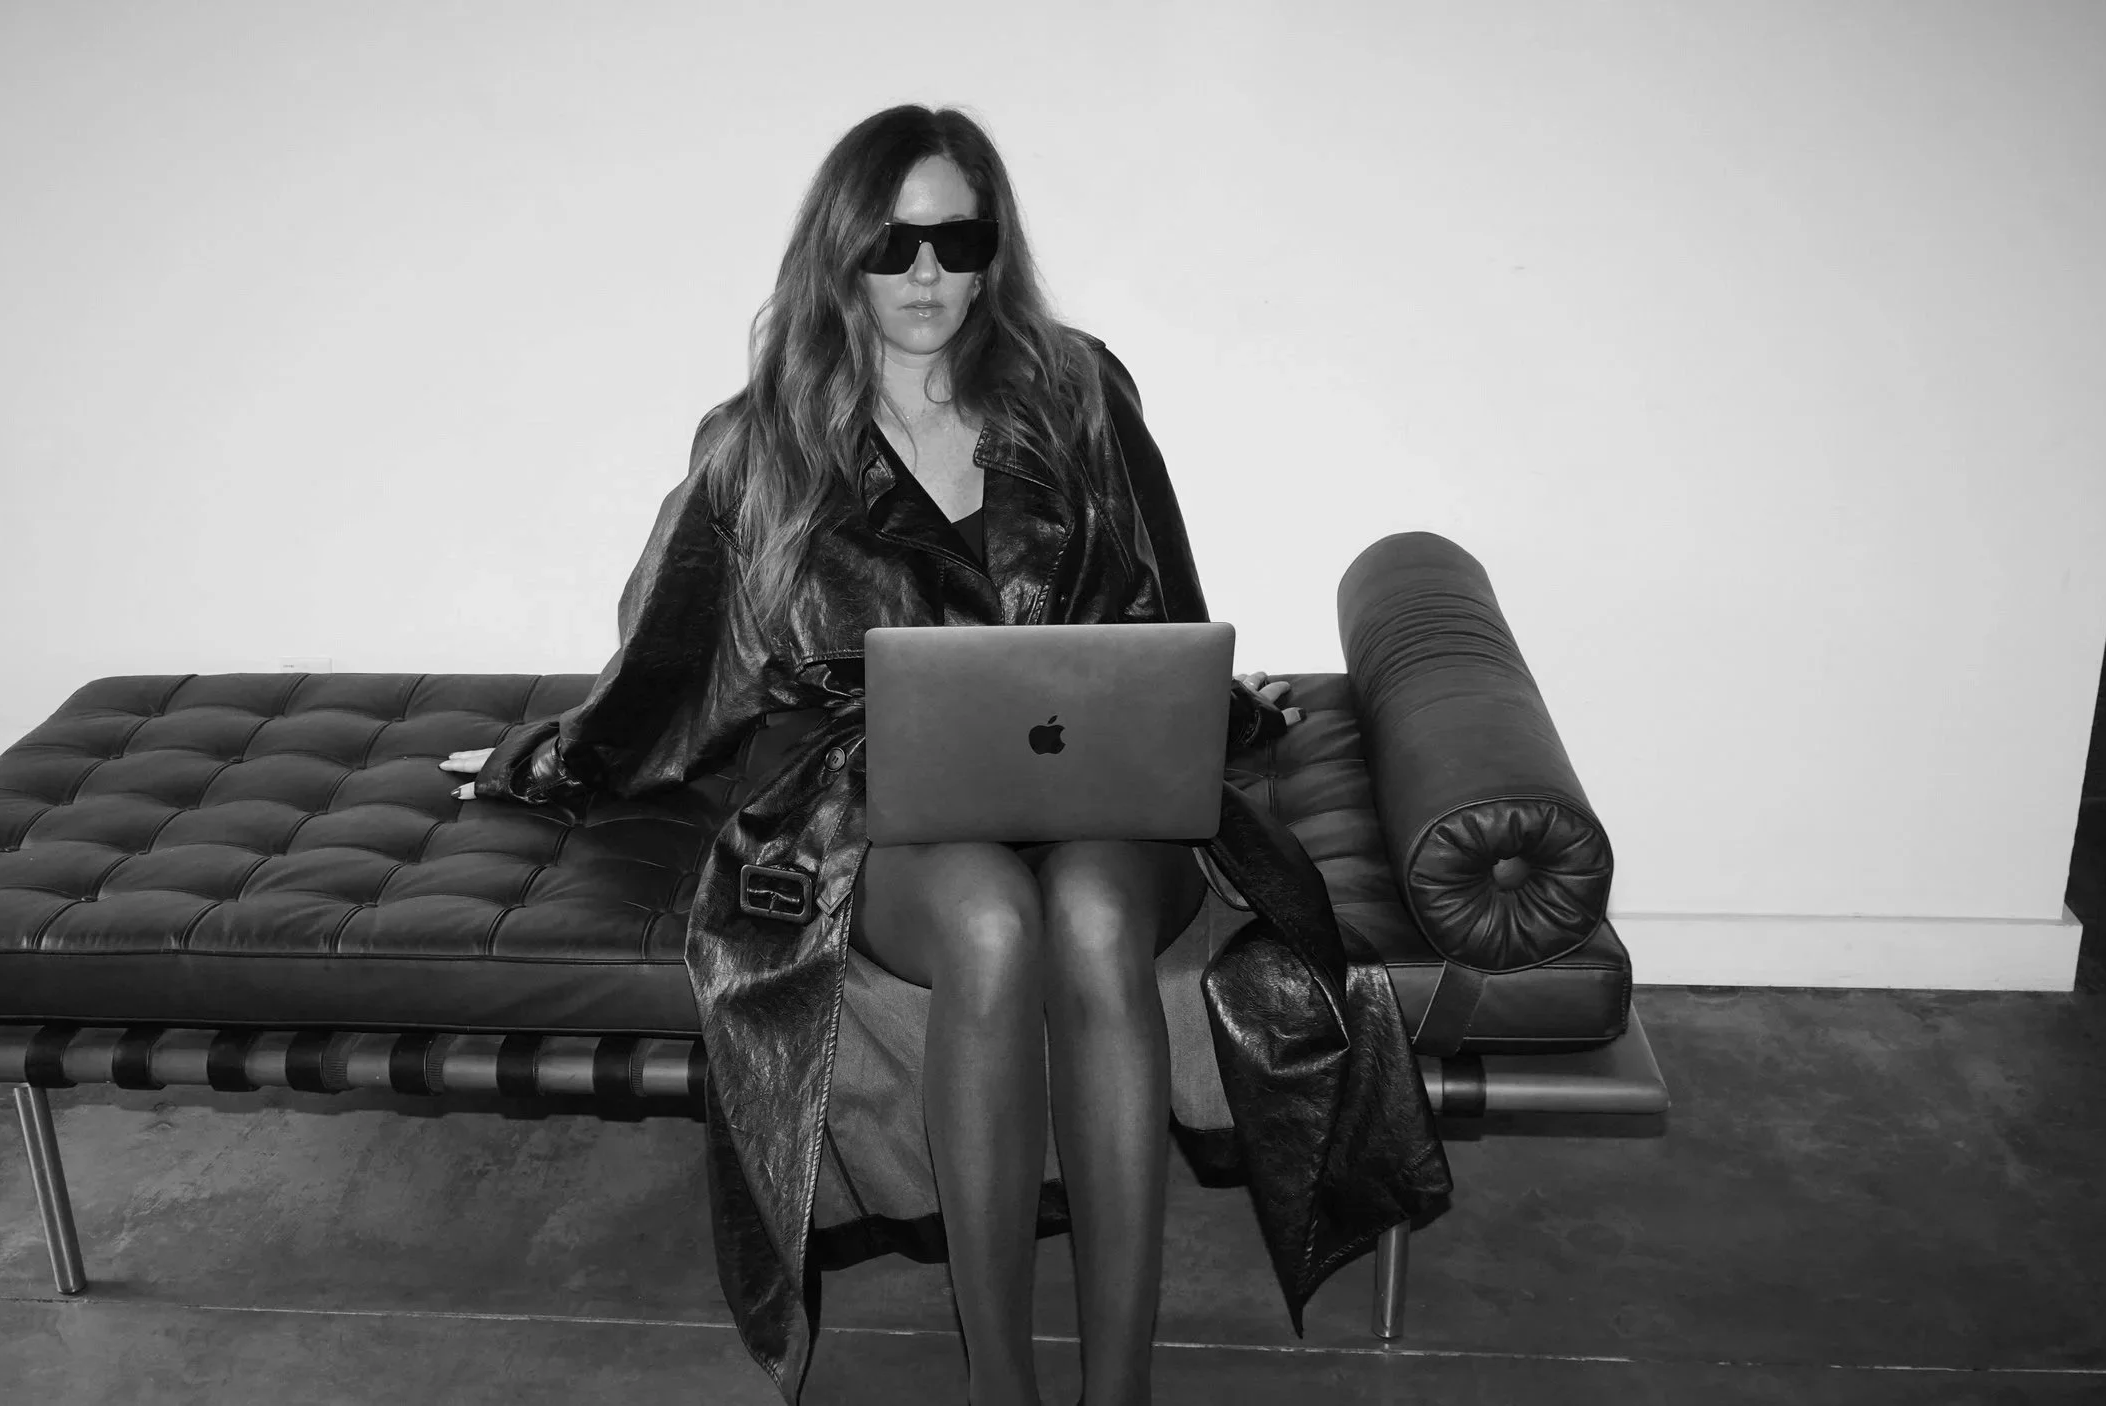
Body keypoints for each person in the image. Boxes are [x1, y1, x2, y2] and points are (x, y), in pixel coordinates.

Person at [443, 105, 1448, 1406]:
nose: (925, 273)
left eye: (955, 239)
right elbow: (671, 655)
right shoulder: (762, 442)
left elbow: (1162, 603)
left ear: (992, 251)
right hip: (881, 798)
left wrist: (1219, 709)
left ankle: (1120, 1390)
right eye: (892, 243)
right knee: (986, 918)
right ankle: (1000, 1385)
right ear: (841, 253)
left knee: (1095, 914)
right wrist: (549, 761)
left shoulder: (1077, 393)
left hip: (1094, 777)